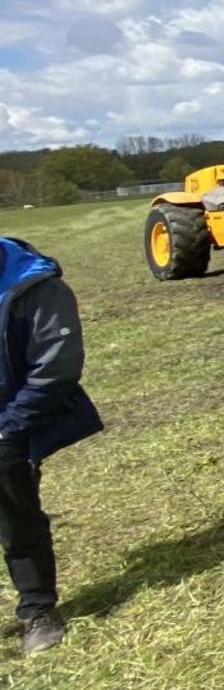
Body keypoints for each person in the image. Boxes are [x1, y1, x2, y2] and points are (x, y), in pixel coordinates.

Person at [0, 236, 103, 655]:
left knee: (12, 505)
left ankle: (38, 609)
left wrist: (9, 429)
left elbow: (56, 370)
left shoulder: (35, 287)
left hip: (10, 417)